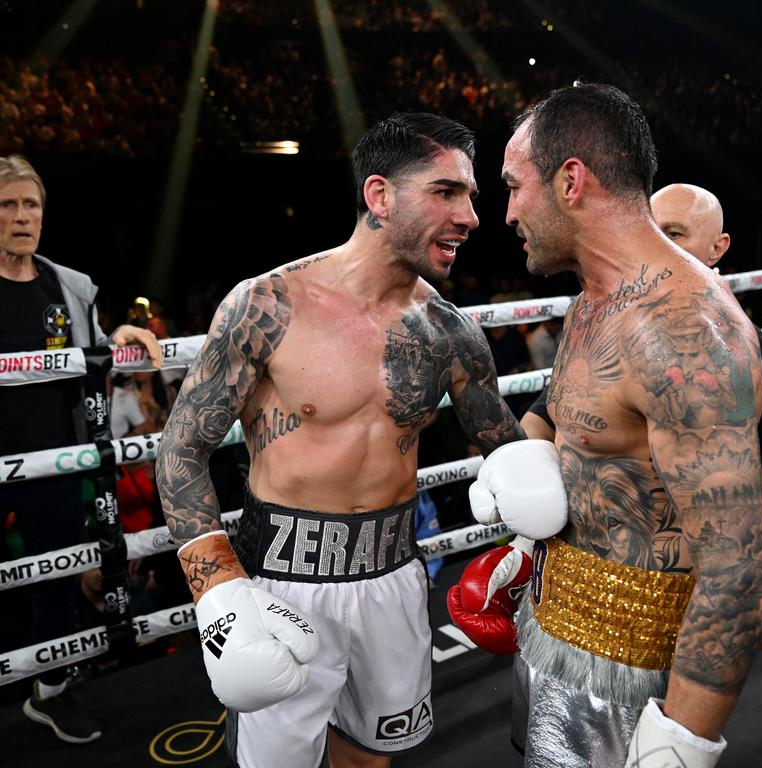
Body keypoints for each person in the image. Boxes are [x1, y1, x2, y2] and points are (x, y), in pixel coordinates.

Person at [154, 113, 526, 768]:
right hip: (281, 581)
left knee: (370, 759)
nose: (470, 216)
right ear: (379, 196)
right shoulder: (265, 306)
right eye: (446, 192)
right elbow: (181, 448)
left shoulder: (451, 333)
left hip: (392, 575)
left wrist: (524, 547)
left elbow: (514, 457)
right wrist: (217, 591)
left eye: (472, 195)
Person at [468, 83, 762, 767]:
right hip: (555, 629)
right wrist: (527, 544)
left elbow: (738, 576)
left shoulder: (681, 328)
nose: (508, 211)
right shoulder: (591, 304)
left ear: (571, 180)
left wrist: (683, 741)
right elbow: (581, 441)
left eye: (515, 187)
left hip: (634, 675)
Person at [0, 154, 162, 744]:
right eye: (8, 205)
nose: (22, 217)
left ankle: (51, 693)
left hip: (54, 461)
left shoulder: (65, 285)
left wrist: (119, 337)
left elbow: (91, 351)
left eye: (31, 204)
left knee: (53, 580)